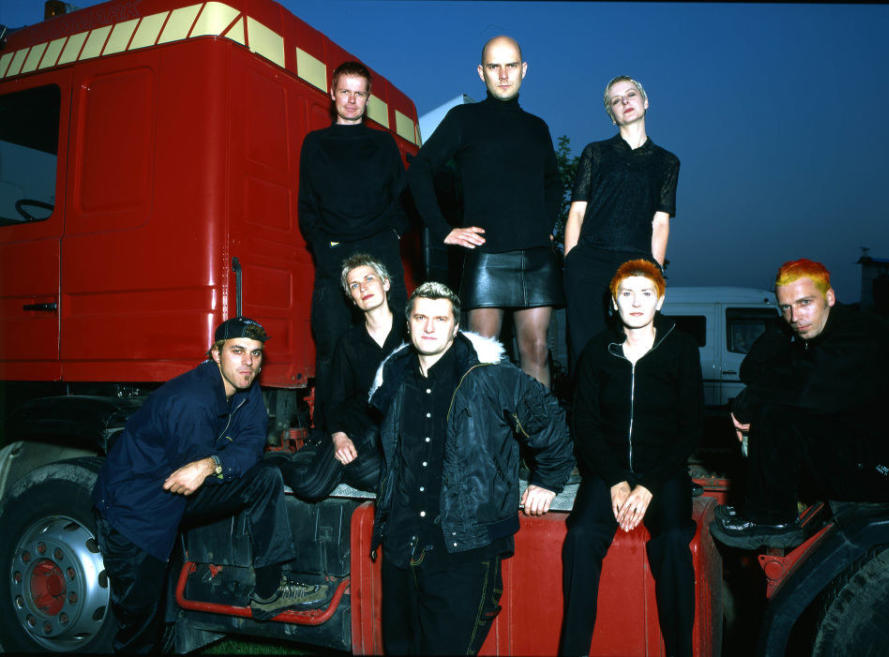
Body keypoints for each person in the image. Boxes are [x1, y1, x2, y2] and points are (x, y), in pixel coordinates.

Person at [92, 317, 327, 653]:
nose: (249, 362)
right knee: (141, 629)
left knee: (265, 477)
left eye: (256, 354)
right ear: (215, 354)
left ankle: (269, 591)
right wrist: (211, 464)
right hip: (135, 513)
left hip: (178, 495)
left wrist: (212, 464)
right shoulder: (192, 400)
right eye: (238, 351)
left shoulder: (246, 391)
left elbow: (250, 446)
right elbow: (195, 468)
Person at [368, 282, 574, 655]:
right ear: (408, 324)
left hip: (464, 546)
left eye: (440, 318)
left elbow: (547, 419)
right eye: (421, 317)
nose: (429, 326)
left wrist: (548, 479)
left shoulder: (489, 376)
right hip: (402, 544)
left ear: (454, 326)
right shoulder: (393, 377)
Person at [711, 259, 889, 549]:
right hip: (857, 446)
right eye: (785, 307)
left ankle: (772, 520)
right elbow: (751, 370)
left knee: (776, 410)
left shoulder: (862, 334)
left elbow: (808, 384)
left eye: (804, 303)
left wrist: (746, 404)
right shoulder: (805, 332)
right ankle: (761, 507)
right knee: (776, 402)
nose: (795, 315)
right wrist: (782, 327)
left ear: (829, 297)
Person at [559, 259, 703, 657]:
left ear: (660, 300)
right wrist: (616, 479)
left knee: (674, 539)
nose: (636, 302)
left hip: (663, 473)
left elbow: (690, 427)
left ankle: (680, 651)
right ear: (614, 302)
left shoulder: (681, 347)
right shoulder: (597, 351)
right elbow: (584, 423)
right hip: (607, 473)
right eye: (627, 294)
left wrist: (648, 486)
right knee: (582, 537)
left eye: (645, 293)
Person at [406, 36, 562, 387]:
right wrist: (443, 227)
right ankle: (481, 442)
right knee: (480, 356)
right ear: (481, 73)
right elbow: (419, 170)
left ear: (524, 69)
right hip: (486, 256)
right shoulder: (463, 118)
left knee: (536, 350)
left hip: (536, 256)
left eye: (511, 66)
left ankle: (534, 441)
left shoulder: (538, 128)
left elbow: (554, 183)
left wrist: (546, 226)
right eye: (494, 66)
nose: (503, 74)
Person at [299, 60, 408, 431]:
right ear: (332, 93)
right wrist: (322, 247)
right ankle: (328, 437)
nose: (351, 99)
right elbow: (306, 206)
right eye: (345, 91)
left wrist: (392, 235)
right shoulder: (315, 144)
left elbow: (402, 199)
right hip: (333, 256)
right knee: (331, 346)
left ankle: (401, 429)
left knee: (397, 342)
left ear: (368, 99)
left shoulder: (382, 143)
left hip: (381, 252)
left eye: (359, 93)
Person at [563, 75, 680, 367]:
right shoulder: (595, 153)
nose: (624, 102)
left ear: (645, 101)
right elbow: (576, 212)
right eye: (616, 101)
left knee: (633, 350)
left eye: (630, 95)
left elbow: (661, 222)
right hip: (588, 262)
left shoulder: (667, 162)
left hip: (635, 266)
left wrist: (654, 271)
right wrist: (571, 261)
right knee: (586, 350)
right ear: (611, 116)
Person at [281, 254, 405, 498]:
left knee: (389, 482)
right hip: (356, 431)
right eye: (354, 285)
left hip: (397, 433)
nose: (363, 287)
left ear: (386, 283)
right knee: (310, 488)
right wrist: (338, 438)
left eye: (369, 278)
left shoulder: (411, 330)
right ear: (352, 298)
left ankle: (336, 467)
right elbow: (335, 399)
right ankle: (278, 465)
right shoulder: (349, 342)